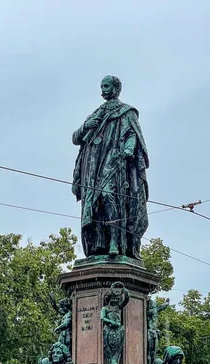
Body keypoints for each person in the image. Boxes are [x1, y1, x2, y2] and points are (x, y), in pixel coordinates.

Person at [72, 75, 149, 259]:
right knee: (95, 203)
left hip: (113, 161)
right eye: (102, 86)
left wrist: (129, 148)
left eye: (107, 86)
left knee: (108, 195)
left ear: (116, 89)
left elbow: (133, 134)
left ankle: (115, 241)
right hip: (92, 165)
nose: (103, 89)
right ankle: (99, 245)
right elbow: (76, 138)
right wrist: (85, 126)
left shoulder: (126, 112)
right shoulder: (96, 114)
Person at [101, 282, 130, 364]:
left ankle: (115, 360)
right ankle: (111, 360)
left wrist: (125, 291)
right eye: (113, 298)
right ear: (109, 299)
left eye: (116, 298)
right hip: (108, 328)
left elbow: (127, 299)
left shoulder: (119, 307)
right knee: (108, 345)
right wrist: (111, 321)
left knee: (118, 346)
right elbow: (103, 318)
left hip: (118, 329)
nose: (115, 299)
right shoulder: (105, 308)